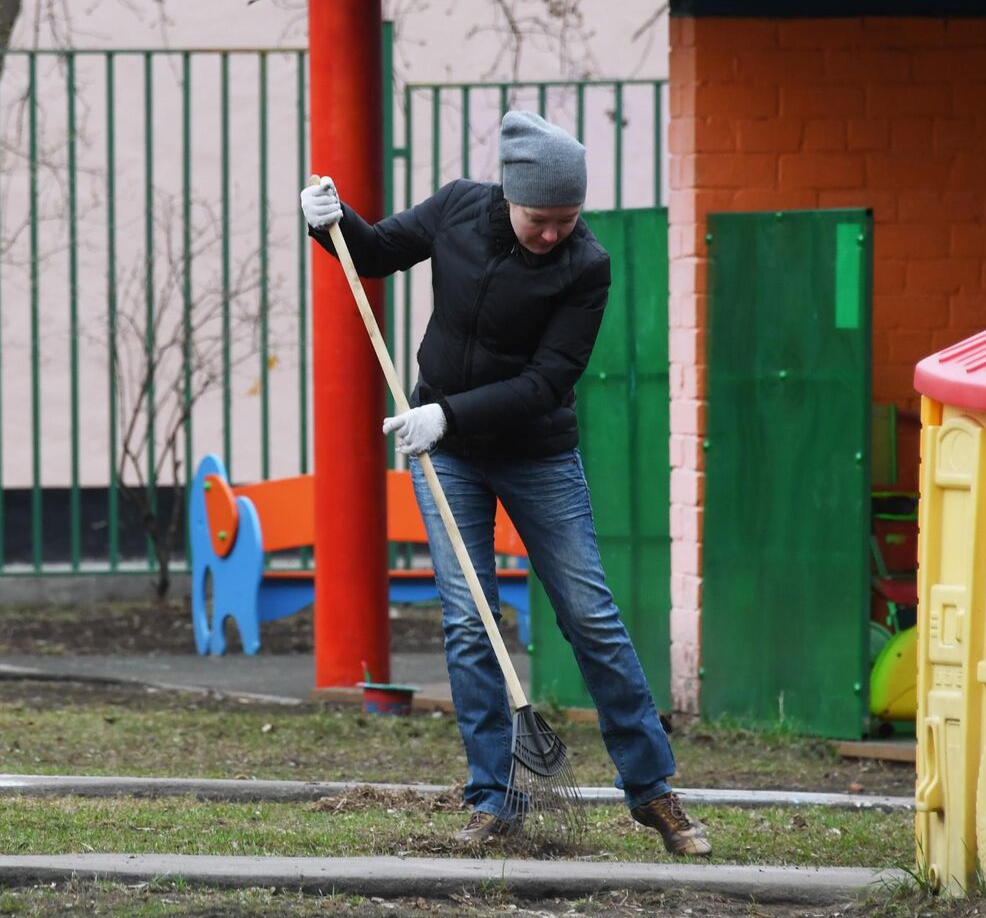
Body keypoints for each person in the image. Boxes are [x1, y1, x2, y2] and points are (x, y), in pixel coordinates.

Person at [301, 111, 710, 857]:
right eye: (539, 218)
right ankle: (495, 798)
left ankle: (653, 791)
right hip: (449, 454)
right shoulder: (459, 207)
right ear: (509, 194)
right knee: (469, 620)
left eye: (567, 218)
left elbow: (546, 381)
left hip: (535, 452)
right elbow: (377, 252)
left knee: (589, 614)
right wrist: (330, 221)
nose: (553, 233)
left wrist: (444, 415)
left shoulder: (586, 265)